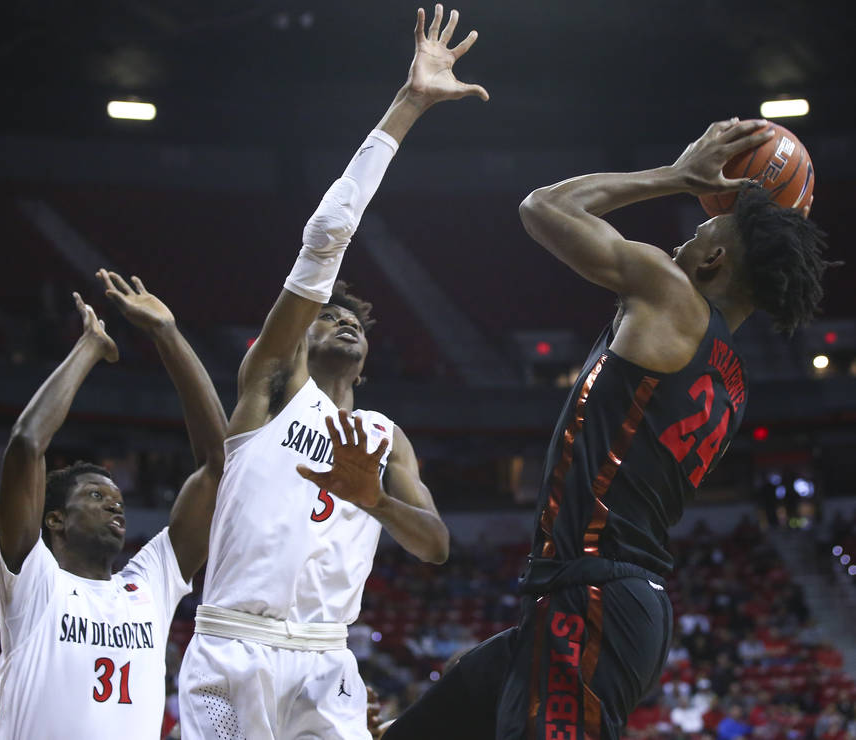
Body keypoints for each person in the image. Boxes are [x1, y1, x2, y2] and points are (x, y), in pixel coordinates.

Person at [382, 118, 833, 739]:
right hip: (594, 603)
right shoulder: (730, 378)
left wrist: (677, 176)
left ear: (712, 260)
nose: (675, 248)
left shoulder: (672, 297)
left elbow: (544, 207)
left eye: (695, 234)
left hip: (591, 602)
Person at [177, 5, 488, 738]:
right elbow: (325, 239)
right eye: (329, 317)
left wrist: (374, 498)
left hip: (326, 661)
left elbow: (436, 546)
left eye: (356, 321)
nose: (344, 321)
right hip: (233, 647)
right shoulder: (273, 386)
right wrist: (409, 103)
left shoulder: (387, 437)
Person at [0, 272, 227, 739]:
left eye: (118, 500)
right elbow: (26, 444)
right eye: (97, 497)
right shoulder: (34, 581)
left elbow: (220, 467)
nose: (115, 507)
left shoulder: (148, 584)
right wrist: (91, 347)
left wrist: (168, 334)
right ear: (54, 519)